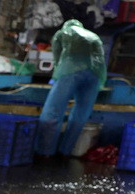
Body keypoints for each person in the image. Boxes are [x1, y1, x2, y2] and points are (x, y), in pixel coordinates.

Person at [35, 19, 107, 158]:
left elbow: (57, 57)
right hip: (95, 76)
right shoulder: (93, 36)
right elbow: (101, 60)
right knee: (81, 114)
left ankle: (45, 152)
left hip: (71, 71)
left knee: (53, 111)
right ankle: (65, 152)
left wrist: (56, 77)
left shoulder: (63, 32)